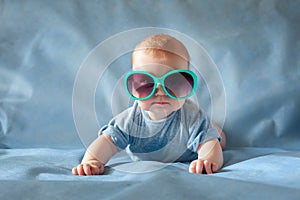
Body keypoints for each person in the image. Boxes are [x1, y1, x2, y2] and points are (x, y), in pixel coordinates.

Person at [72, 34, 226, 176]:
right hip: (145, 158)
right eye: (146, 83)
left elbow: (209, 145)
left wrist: (206, 159)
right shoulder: (130, 119)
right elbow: (107, 141)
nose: (160, 92)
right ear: (133, 85)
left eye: (174, 82)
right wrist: (92, 161)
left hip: (187, 154)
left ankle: (215, 130)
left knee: (216, 139)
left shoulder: (192, 117)